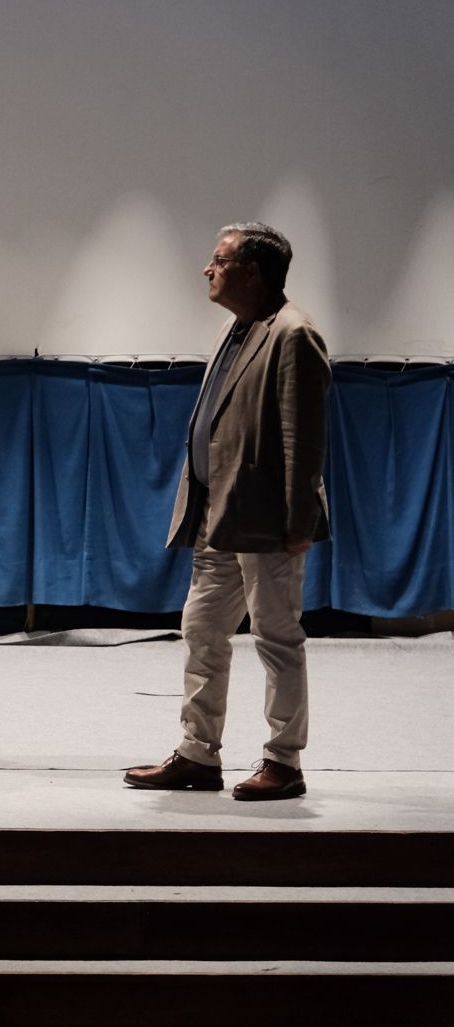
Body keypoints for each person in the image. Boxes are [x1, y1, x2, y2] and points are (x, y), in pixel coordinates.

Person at [125, 222, 330, 802]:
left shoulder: (293, 334)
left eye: (219, 259)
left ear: (253, 272)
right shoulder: (234, 328)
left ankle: (284, 762)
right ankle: (197, 753)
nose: (207, 268)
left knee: (276, 637)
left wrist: (297, 524)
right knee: (201, 630)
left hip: (267, 521)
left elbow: (302, 438)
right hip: (219, 513)